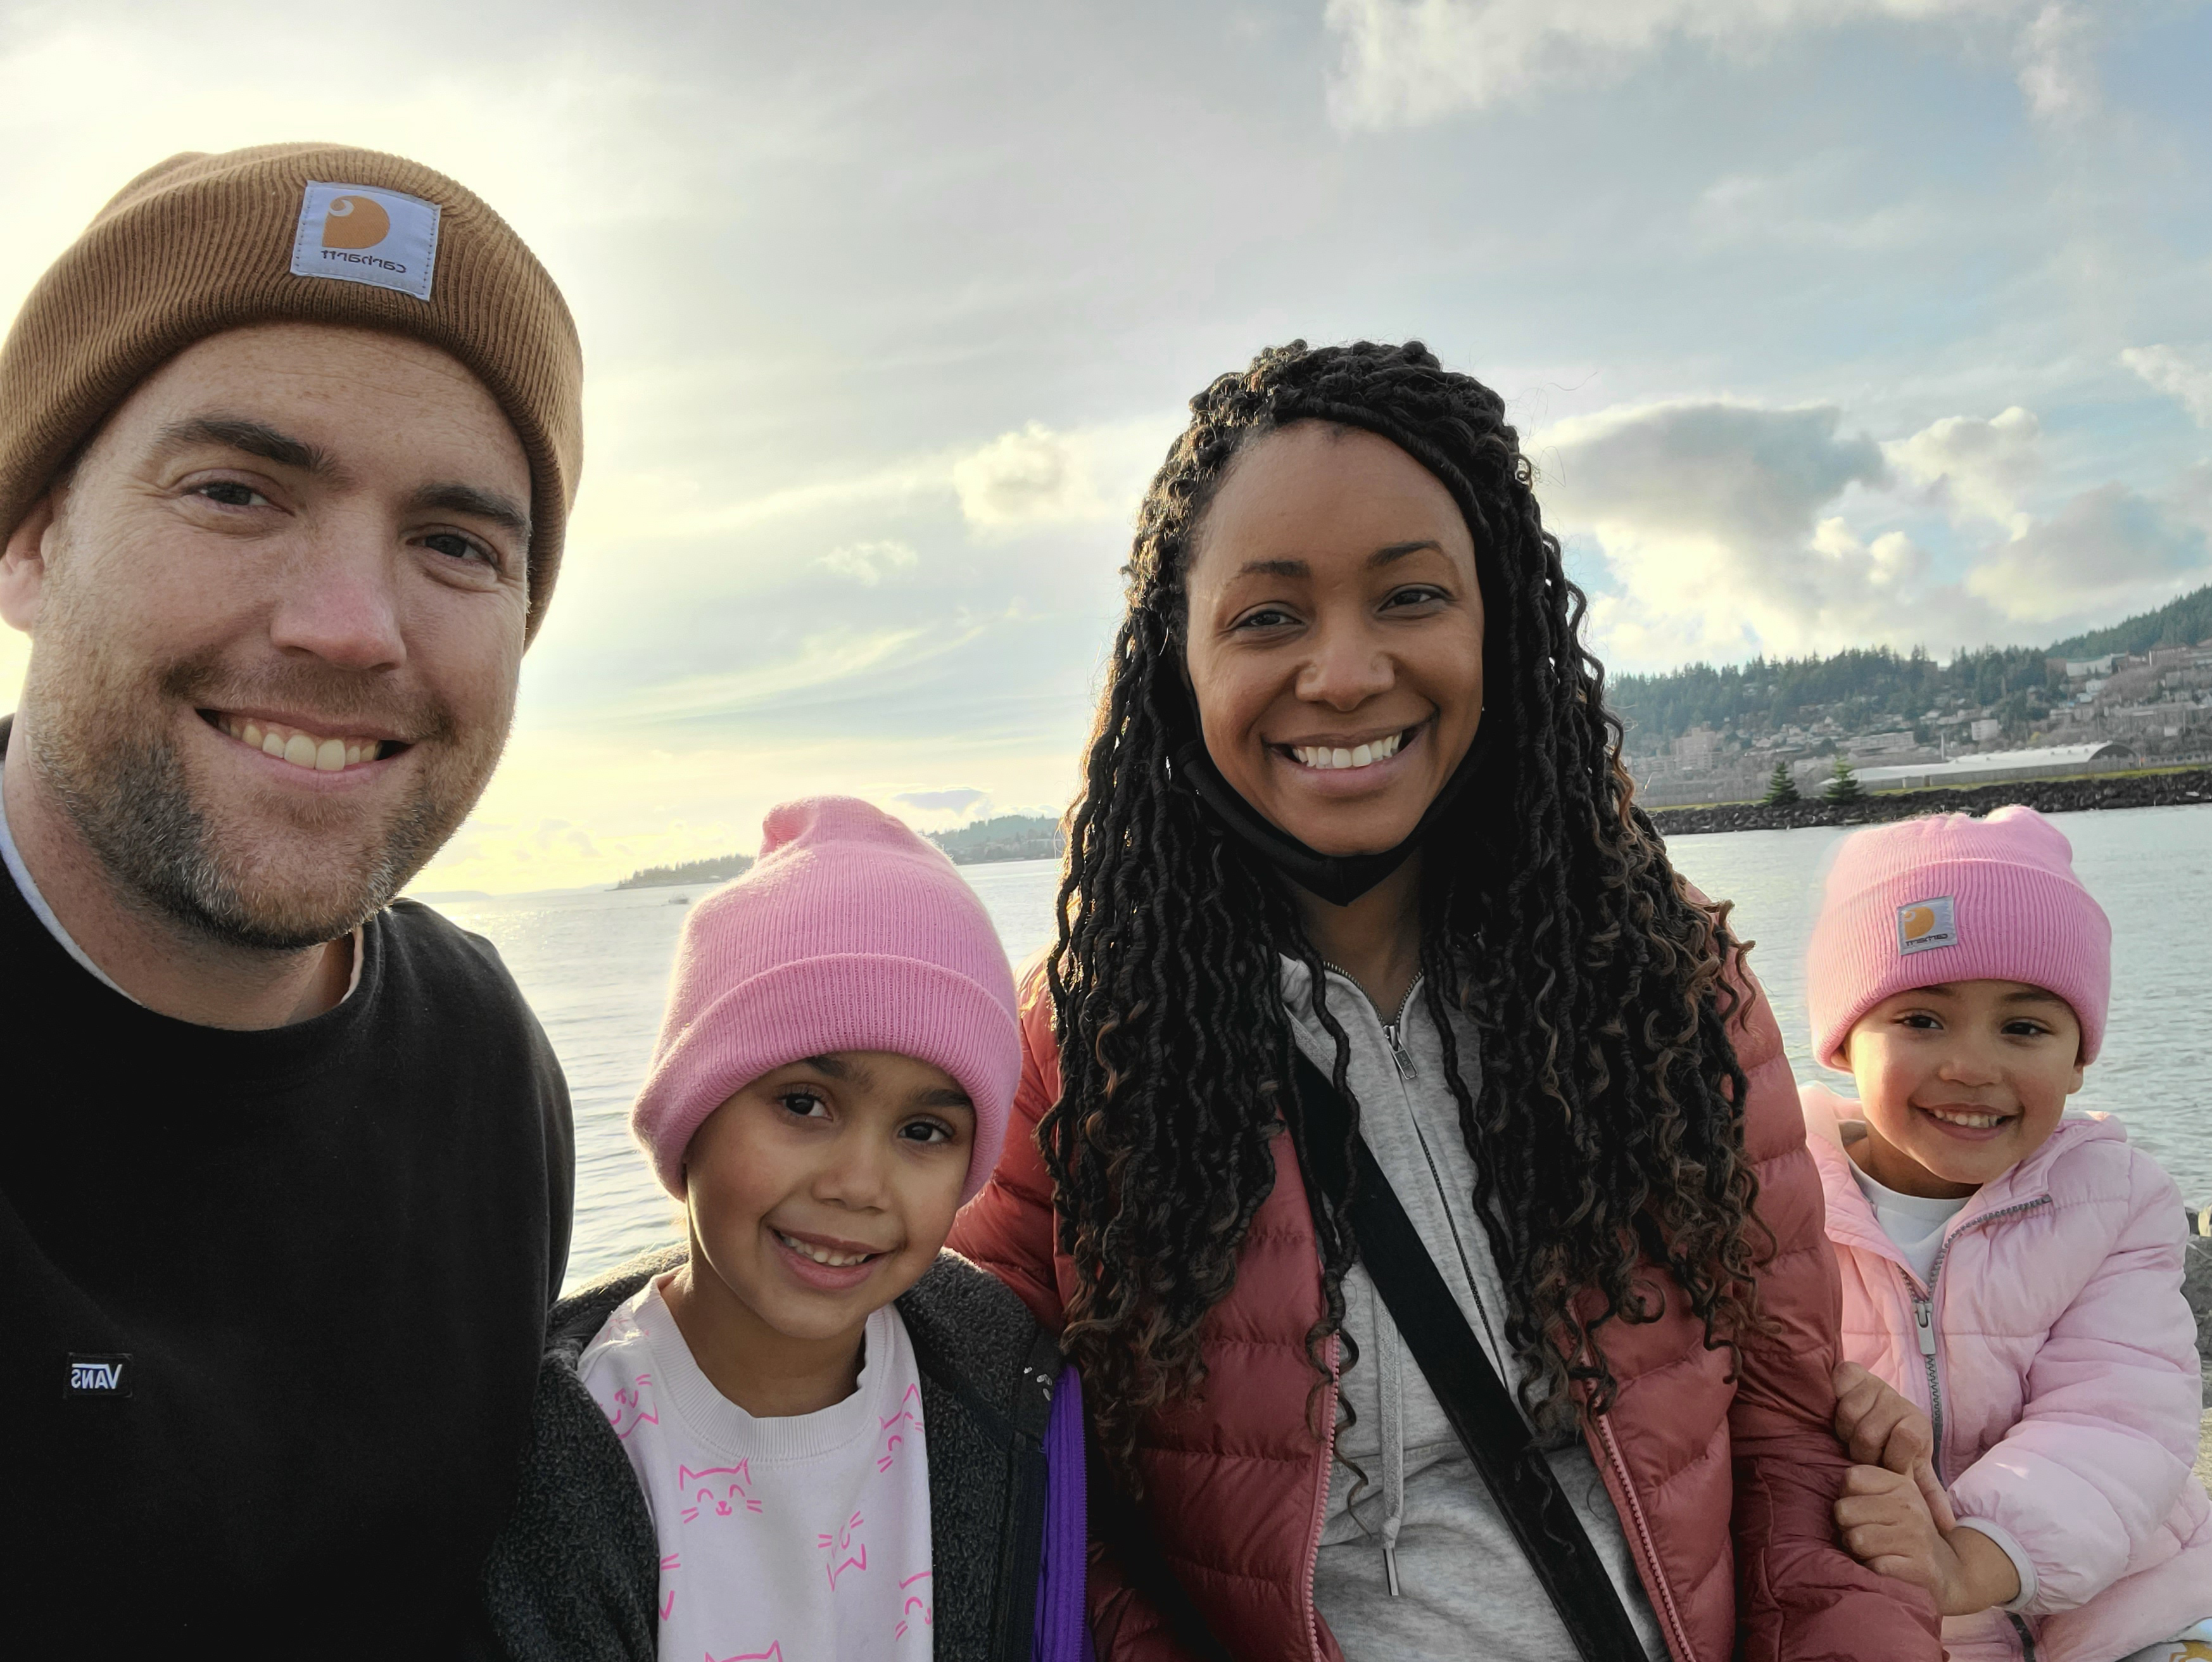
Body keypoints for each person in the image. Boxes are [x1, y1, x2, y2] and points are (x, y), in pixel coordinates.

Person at [950, 339, 1939, 1659]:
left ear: (1503, 627)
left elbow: (1786, 1430)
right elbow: (1036, 1494)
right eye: (1268, 616)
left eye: (1410, 596)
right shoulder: (1079, 1057)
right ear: (1174, 671)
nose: (1346, 672)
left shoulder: (1665, 986)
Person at [0, 145, 581, 1649]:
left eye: (455, 543)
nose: (348, 628)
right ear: (32, 539)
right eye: (236, 491)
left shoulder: (488, 1066)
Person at [483, 797, 1090, 1662]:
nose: (856, 1185)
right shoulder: (556, 1458)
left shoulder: (1006, 1389)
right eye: (803, 1104)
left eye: (924, 1131)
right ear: (689, 1113)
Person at [1802, 807, 2212, 1662]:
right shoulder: (1762, 1199)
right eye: (1920, 1020)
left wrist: (1968, 1561)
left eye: (2023, 1027)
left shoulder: (2115, 1200)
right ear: (1842, 1044)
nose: (1970, 1065)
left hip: (2139, 1604)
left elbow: (2120, 1416)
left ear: (2076, 1060)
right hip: (1896, 1624)